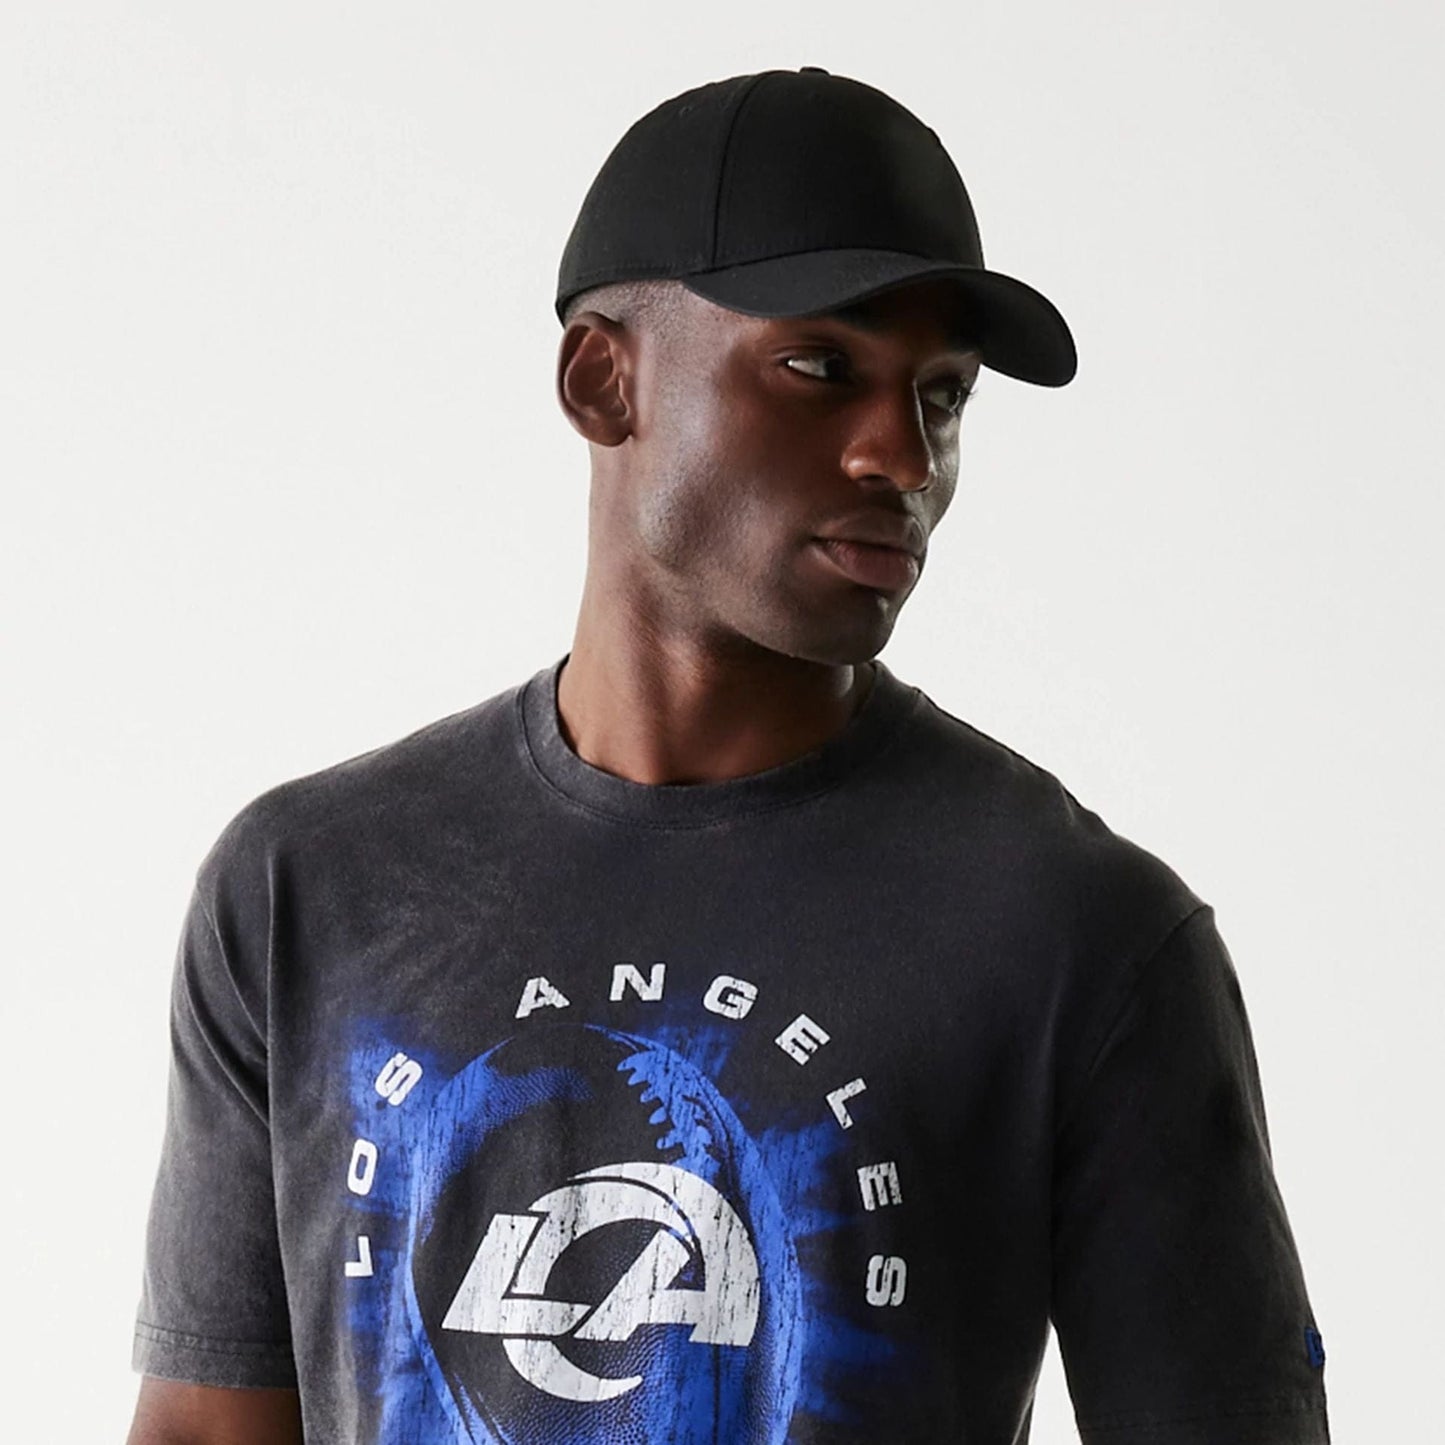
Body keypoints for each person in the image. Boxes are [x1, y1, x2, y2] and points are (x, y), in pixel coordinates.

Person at [127, 67, 1331, 1445]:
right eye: (821, 369)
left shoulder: (1079, 934)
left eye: (941, 396)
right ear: (603, 379)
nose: (901, 456)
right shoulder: (308, 889)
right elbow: (203, 1431)